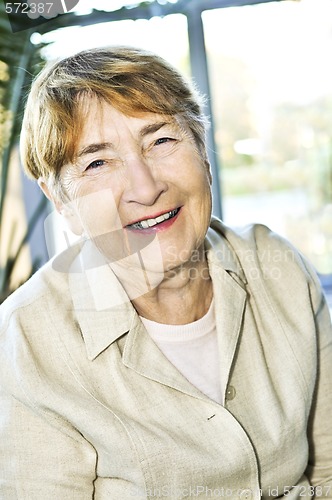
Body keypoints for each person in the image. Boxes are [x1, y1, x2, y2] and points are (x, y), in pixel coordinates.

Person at [0, 46, 331, 499]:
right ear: (61, 202)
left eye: (161, 140)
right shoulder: (27, 337)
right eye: (97, 162)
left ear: (203, 149)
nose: (146, 186)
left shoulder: (280, 269)